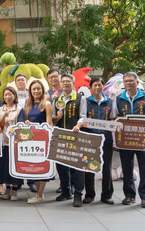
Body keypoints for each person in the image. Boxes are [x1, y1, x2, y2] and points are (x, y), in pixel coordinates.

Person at [112, 72, 145, 208]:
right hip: (126, 140)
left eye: (130, 80)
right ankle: (129, 196)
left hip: (144, 140)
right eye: (126, 81)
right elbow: (115, 117)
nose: (128, 83)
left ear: (137, 82)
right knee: (127, 168)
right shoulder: (118, 99)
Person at [52, 74, 87, 207]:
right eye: (63, 82)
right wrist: (57, 118)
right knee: (61, 166)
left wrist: (78, 125)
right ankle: (66, 191)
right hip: (61, 137)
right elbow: (54, 119)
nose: (65, 83)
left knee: (77, 167)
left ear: (73, 83)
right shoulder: (57, 100)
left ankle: (78, 194)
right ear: (60, 84)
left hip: (76, 137)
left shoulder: (80, 98)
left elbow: (83, 116)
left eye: (68, 81)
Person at [84, 77, 115, 204]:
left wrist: (112, 125)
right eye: (95, 85)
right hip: (90, 139)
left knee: (107, 167)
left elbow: (113, 118)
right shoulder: (85, 102)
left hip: (106, 139)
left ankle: (106, 195)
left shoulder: (110, 102)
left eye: (100, 85)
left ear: (103, 87)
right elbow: (82, 118)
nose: (97, 87)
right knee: (89, 167)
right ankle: (89, 194)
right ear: (91, 88)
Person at [24, 80, 54, 204]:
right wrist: (27, 124)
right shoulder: (28, 103)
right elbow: (26, 120)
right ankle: (38, 194)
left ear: (43, 90)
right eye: (33, 89)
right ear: (30, 91)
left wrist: (48, 137)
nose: (36, 91)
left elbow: (49, 123)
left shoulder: (46, 104)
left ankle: (40, 194)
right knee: (35, 166)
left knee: (42, 166)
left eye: (38, 89)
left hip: (43, 139)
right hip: (31, 140)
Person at [0, 86, 25, 200]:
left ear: (14, 96)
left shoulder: (19, 109)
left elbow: (21, 124)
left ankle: (15, 189)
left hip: (15, 142)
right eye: (6, 95)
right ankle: (7, 187)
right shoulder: (0, 109)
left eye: (10, 94)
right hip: (4, 142)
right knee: (4, 166)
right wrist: (4, 116)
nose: (8, 97)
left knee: (15, 165)